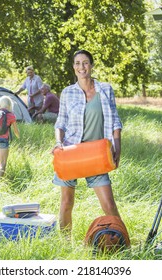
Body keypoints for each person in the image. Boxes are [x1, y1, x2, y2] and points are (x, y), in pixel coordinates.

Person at [52, 50, 123, 234]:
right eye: (77, 63)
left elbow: (115, 120)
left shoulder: (105, 89)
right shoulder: (68, 93)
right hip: (71, 153)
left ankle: (123, 243)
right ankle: (65, 244)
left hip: (97, 154)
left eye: (85, 63)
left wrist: (117, 147)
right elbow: (60, 123)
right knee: (66, 202)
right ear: (73, 67)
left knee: (109, 205)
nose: (81, 67)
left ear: (91, 65)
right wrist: (59, 143)